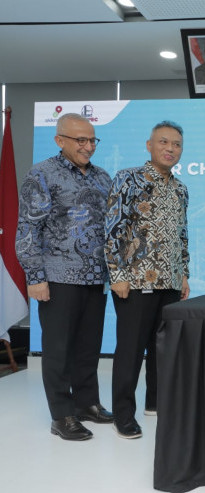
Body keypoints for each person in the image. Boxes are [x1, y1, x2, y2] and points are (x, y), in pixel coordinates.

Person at [15, 113, 113, 441]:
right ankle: (62, 415)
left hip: (95, 276)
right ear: (60, 140)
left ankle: (87, 404)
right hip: (57, 276)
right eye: (80, 140)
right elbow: (28, 228)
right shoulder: (42, 174)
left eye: (92, 140)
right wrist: (35, 276)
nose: (88, 146)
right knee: (58, 350)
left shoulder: (102, 177)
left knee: (88, 346)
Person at [105, 120, 190, 439]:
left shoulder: (180, 188)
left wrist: (184, 274)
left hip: (170, 281)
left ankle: (156, 402)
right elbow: (113, 229)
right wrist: (117, 274)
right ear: (149, 145)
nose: (170, 149)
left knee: (162, 348)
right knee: (130, 350)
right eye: (164, 142)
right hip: (135, 281)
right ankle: (123, 415)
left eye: (177, 144)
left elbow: (182, 235)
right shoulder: (127, 179)